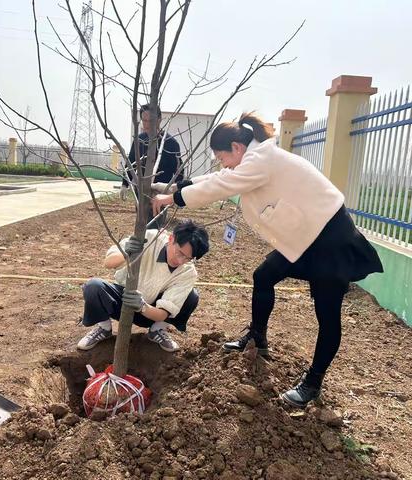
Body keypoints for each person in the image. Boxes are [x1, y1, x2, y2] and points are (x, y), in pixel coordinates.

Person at [151, 112, 383, 408]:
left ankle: (313, 382)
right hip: (303, 237)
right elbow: (220, 177)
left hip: (330, 237)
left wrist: (173, 199)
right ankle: (257, 338)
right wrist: (177, 187)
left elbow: (221, 185)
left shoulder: (261, 160)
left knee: (327, 313)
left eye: (223, 157)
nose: (222, 164)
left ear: (236, 147)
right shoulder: (252, 158)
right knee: (263, 276)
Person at [77, 220, 209, 352]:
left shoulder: (188, 272)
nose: (180, 261)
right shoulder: (149, 239)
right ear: (171, 239)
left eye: (188, 258)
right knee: (94, 286)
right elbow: (108, 263)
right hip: (122, 299)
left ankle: (157, 330)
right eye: (179, 253)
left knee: (192, 296)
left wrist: (142, 306)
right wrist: (126, 253)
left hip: (149, 311)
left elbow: (163, 313)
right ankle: (104, 328)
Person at [120, 104, 184, 228]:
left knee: (154, 229)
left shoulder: (171, 143)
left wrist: (177, 194)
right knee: (140, 226)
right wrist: (124, 183)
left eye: (151, 121)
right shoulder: (139, 141)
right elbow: (131, 162)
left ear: (159, 119)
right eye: (144, 120)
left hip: (160, 194)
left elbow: (178, 171)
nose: (147, 124)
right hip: (141, 191)